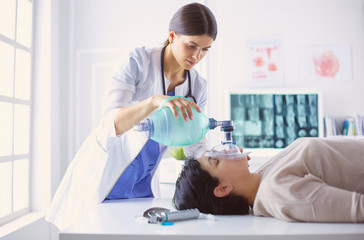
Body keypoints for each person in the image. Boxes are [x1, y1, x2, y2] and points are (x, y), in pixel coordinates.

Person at [46, 2, 217, 230]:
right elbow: (110, 123)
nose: (197, 56)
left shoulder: (198, 87)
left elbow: (194, 144)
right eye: (192, 45)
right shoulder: (139, 62)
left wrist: (221, 159)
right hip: (103, 173)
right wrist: (154, 101)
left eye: (205, 49)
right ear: (172, 36)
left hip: (142, 183)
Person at [173, 137, 364, 223]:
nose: (222, 150)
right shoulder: (277, 193)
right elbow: (358, 208)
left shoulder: (263, 175)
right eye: (215, 160)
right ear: (223, 188)